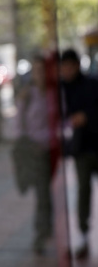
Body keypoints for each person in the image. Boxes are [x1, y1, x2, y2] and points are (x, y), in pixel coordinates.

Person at [13, 55, 53, 254]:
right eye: (36, 70)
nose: (40, 74)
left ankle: (50, 229)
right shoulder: (28, 95)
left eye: (43, 69)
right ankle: (41, 234)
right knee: (42, 195)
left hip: (56, 153)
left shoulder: (55, 93)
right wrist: (31, 145)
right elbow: (18, 128)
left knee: (52, 194)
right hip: (37, 153)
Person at [61, 49, 98, 259]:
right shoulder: (61, 89)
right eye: (62, 68)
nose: (66, 71)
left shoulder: (92, 84)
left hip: (95, 144)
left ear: (76, 65)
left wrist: (87, 117)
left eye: (69, 67)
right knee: (83, 192)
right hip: (81, 150)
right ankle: (83, 236)